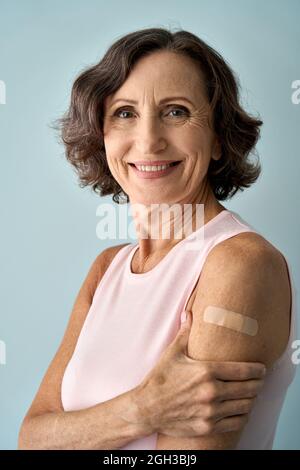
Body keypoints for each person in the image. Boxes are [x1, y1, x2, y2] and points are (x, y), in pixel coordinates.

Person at [18, 28, 296, 450]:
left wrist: (74, 434)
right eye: (125, 113)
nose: (148, 141)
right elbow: (30, 438)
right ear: (102, 135)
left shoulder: (239, 263)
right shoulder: (106, 269)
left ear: (218, 138)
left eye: (176, 112)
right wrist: (142, 409)